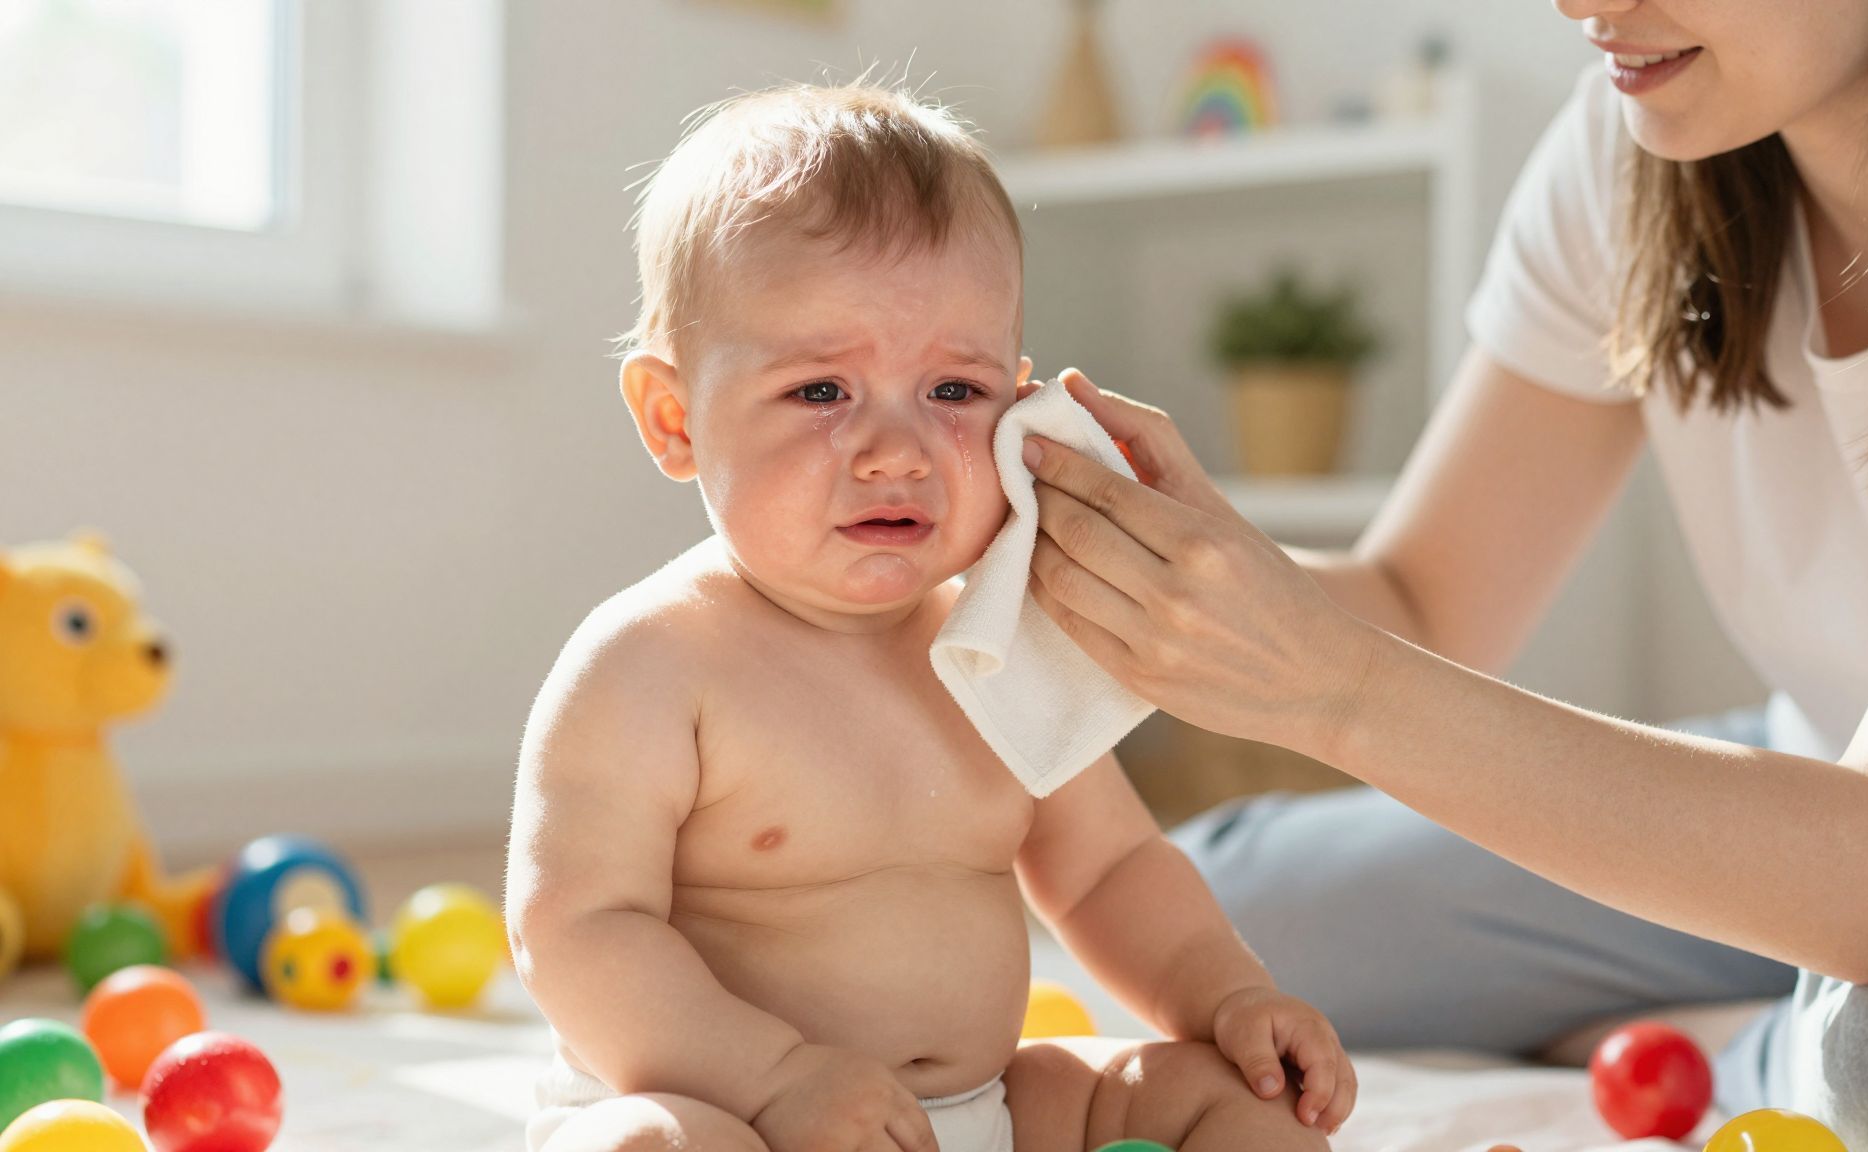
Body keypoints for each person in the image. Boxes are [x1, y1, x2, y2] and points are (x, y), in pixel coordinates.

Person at [1016, 1, 1868, 1148]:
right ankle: (1770, 1022)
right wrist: (1111, 543)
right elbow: (1421, 603)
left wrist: (1332, 683)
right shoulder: (1637, 149)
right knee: (1230, 919)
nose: (1575, 4)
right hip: (1812, 793)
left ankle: (1748, 1049)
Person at [503, 82, 1359, 1152]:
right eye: (821, 392)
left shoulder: (1001, 641)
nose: (895, 452)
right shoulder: (651, 665)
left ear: (1018, 404)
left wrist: (1227, 995)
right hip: (732, 1111)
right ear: (674, 418)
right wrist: (774, 1081)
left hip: (975, 1114)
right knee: (646, 1146)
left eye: (953, 392)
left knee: (1222, 1100)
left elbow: (1109, 870)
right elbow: (575, 929)